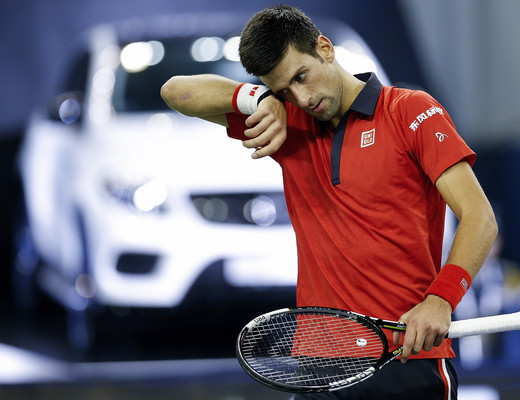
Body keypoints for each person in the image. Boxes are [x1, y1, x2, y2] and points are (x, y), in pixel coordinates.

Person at [161, 5, 497, 399]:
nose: (301, 98)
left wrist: (441, 300)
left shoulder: (410, 111)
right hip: (319, 365)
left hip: (407, 358)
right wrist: (258, 99)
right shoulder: (287, 122)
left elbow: (480, 217)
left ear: (325, 48)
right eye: (285, 89)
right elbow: (176, 92)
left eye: (302, 77)